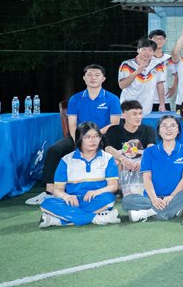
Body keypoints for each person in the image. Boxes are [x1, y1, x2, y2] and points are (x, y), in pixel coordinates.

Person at [33, 64, 123, 205]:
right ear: (84, 78)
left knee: (113, 153)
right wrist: (79, 140)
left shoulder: (112, 99)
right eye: (89, 75)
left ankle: (112, 189)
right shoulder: (75, 99)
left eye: (97, 75)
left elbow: (114, 123)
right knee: (53, 150)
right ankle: (50, 190)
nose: (93, 78)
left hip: (103, 136)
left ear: (103, 79)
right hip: (79, 136)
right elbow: (72, 124)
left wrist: (94, 135)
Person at [39, 122, 120, 228]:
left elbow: (113, 186)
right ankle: (96, 218)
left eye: (96, 136)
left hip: (96, 198)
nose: (93, 140)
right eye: (87, 137)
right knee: (47, 202)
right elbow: (57, 189)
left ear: (100, 138)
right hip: (72, 201)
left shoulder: (107, 158)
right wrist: (66, 196)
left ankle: (59, 220)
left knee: (109, 198)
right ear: (79, 139)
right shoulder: (66, 160)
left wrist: (97, 192)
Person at [122, 115, 183, 223]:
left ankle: (148, 212)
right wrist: (154, 198)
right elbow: (147, 178)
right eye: (164, 126)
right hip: (152, 197)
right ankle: (172, 210)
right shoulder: (149, 152)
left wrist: (172, 196)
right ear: (159, 131)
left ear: (178, 130)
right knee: (127, 201)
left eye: (172, 126)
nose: (168, 129)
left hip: (176, 195)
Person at [104, 100, 157, 196]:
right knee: (115, 161)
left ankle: (146, 189)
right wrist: (123, 159)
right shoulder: (114, 130)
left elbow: (151, 148)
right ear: (123, 114)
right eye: (134, 114)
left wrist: (142, 161)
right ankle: (118, 189)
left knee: (153, 159)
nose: (138, 117)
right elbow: (108, 148)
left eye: (140, 113)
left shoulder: (148, 130)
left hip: (140, 163)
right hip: (122, 164)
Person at [118, 38, 167, 112]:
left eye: (150, 50)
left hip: (146, 107)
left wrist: (162, 104)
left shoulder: (157, 65)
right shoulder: (127, 64)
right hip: (128, 105)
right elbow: (122, 85)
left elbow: (159, 84)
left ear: (154, 52)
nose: (147, 52)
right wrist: (136, 72)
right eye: (144, 49)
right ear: (138, 50)